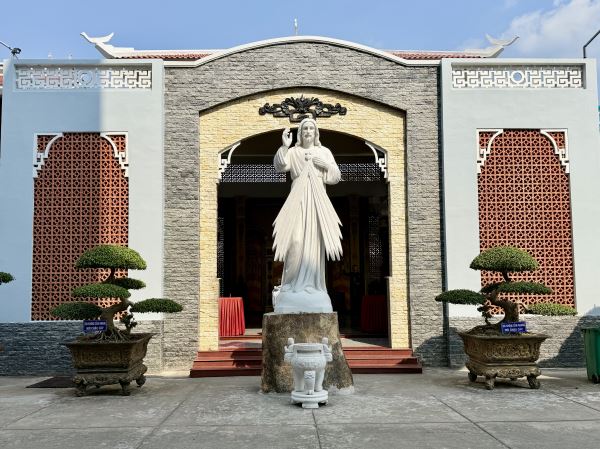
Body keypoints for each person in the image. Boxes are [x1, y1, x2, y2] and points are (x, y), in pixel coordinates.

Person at [272, 118, 343, 313]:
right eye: (305, 128)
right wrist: (284, 146)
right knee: (294, 242)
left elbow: (336, 177)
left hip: (317, 202)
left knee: (314, 246)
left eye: (312, 128)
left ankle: (313, 287)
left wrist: (326, 166)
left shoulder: (324, 152)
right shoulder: (294, 152)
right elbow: (280, 166)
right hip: (297, 200)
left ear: (316, 132)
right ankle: (290, 285)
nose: (308, 131)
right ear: (300, 133)